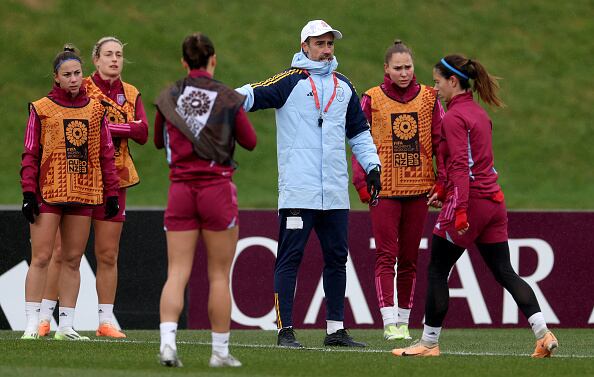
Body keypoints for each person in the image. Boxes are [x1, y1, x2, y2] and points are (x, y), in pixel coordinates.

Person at [392, 54, 558, 357]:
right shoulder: (479, 113)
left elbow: (460, 167)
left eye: (438, 81)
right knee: (504, 270)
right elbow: (476, 162)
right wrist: (442, 189)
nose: (435, 87)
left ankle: (429, 343)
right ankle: (543, 334)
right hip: (494, 201)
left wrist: (460, 209)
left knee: (438, 269)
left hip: (472, 203)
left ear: (453, 81)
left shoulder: (454, 117)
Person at [236, 19, 381, 348]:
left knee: (336, 259)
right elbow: (251, 95)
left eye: (330, 44)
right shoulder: (290, 81)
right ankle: (285, 330)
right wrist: (219, 99)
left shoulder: (344, 86)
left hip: (334, 194)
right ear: (304, 47)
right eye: (319, 44)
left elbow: (359, 133)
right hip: (298, 192)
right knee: (290, 259)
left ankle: (335, 329)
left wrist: (373, 166)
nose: (326, 50)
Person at [154, 32, 257, 368]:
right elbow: (251, 141)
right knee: (217, 275)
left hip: (180, 190)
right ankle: (220, 353)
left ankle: (168, 344)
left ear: (184, 62)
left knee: (177, 272)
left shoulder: (169, 95)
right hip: (216, 190)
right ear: (214, 59)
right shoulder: (227, 97)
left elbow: (158, 141)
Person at [36, 36, 148, 339]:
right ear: (96, 59)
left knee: (108, 253)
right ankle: (45, 317)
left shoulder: (131, 92)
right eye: (108, 54)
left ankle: (106, 320)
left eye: (120, 55)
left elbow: (143, 132)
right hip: (80, 177)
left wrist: (107, 127)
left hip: (116, 177)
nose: (115, 60)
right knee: (61, 252)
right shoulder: (79, 84)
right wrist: (116, 128)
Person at [20, 45, 120, 340]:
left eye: (77, 73)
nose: (74, 79)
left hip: (84, 190)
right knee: (41, 256)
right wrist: (28, 192)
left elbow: (106, 153)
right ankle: (31, 322)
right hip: (48, 190)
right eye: (68, 74)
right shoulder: (41, 108)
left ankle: (66, 325)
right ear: (57, 77)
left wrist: (111, 192)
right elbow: (30, 153)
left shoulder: (95, 109)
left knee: (73, 259)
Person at [351, 40, 445, 341]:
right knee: (385, 256)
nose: (404, 73)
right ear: (386, 69)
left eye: (408, 67)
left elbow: (442, 143)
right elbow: (357, 141)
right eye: (398, 68)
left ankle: (404, 321)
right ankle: (389, 320)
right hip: (385, 190)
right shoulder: (371, 99)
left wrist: (441, 183)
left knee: (409, 260)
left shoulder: (430, 99)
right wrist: (363, 183)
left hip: (418, 189)